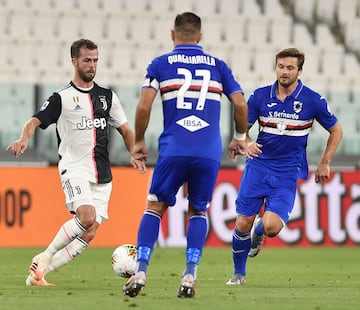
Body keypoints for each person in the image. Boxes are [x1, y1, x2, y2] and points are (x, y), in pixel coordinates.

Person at [122, 12, 256, 298]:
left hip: (174, 148)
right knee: (198, 211)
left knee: (155, 207)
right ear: (200, 37)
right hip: (208, 151)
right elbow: (241, 104)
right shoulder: (219, 66)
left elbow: (144, 107)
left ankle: (141, 271)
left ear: (173, 35)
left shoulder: (160, 64)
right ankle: (189, 275)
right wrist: (240, 138)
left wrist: (140, 142)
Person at [6, 39, 145, 286]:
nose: (92, 65)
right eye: (86, 60)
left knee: (89, 232)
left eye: (95, 60)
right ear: (74, 61)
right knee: (87, 217)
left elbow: (124, 130)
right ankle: (45, 256)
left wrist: (135, 152)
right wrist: (23, 138)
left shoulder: (107, 97)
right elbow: (34, 121)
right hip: (74, 167)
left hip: (102, 174)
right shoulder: (62, 98)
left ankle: (38, 275)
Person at [226, 47, 343, 285]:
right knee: (241, 223)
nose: (284, 72)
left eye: (290, 67)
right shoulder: (259, 96)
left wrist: (325, 162)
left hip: (287, 172)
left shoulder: (312, 100)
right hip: (258, 167)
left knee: (270, 226)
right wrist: (246, 143)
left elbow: (336, 129)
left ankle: (259, 233)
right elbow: (243, 131)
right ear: (276, 67)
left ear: (299, 70)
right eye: (281, 66)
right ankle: (239, 275)